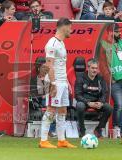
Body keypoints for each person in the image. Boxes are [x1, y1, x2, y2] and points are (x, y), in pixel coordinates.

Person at [39, 18, 77, 149]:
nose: (71, 31)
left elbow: (61, 65)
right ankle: (43, 140)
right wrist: (53, 84)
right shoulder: (52, 44)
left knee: (62, 110)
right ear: (64, 27)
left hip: (62, 82)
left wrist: (66, 82)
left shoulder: (62, 43)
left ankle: (61, 140)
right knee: (50, 109)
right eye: (70, 28)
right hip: (54, 82)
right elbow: (49, 65)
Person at [75, 59, 112, 138]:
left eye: (96, 68)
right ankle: (82, 130)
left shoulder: (100, 78)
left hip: (96, 102)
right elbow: (77, 95)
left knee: (108, 108)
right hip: (85, 102)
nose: (95, 70)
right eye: (92, 68)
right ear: (88, 68)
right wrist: (88, 103)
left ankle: (98, 129)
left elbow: (105, 93)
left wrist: (101, 102)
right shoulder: (80, 78)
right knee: (79, 106)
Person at [101, 24, 122, 138]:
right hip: (115, 82)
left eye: (119, 31)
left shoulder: (121, 43)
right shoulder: (105, 45)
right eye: (117, 31)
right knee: (119, 105)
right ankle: (116, 129)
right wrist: (110, 79)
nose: (119, 34)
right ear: (110, 32)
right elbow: (103, 64)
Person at [29, 57, 56, 137]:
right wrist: (42, 96)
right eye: (43, 67)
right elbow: (32, 92)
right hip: (38, 100)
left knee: (54, 106)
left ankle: (51, 130)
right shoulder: (33, 78)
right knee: (49, 107)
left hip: (48, 98)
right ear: (38, 67)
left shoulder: (49, 76)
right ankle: (48, 131)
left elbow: (53, 88)